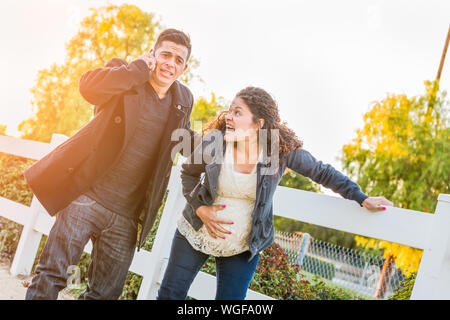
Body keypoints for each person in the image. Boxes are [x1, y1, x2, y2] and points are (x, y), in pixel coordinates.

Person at [157, 86, 393, 300]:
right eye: (230, 110)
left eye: (238, 113)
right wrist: (201, 209)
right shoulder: (214, 142)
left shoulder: (279, 151)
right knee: (169, 295)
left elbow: (322, 172)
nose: (228, 116)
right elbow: (187, 173)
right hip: (195, 232)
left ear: (258, 124)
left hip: (242, 245)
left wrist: (361, 197)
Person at [25, 28, 196, 300]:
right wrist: (137, 69)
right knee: (52, 275)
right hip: (86, 197)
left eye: (178, 59)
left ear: (184, 67)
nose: (170, 63)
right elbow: (88, 87)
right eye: (165, 55)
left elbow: (184, 141)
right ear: (153, 54)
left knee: (105, 294)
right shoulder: (126, 73)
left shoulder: (183, 99)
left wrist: (227, 145)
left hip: (126, 217)